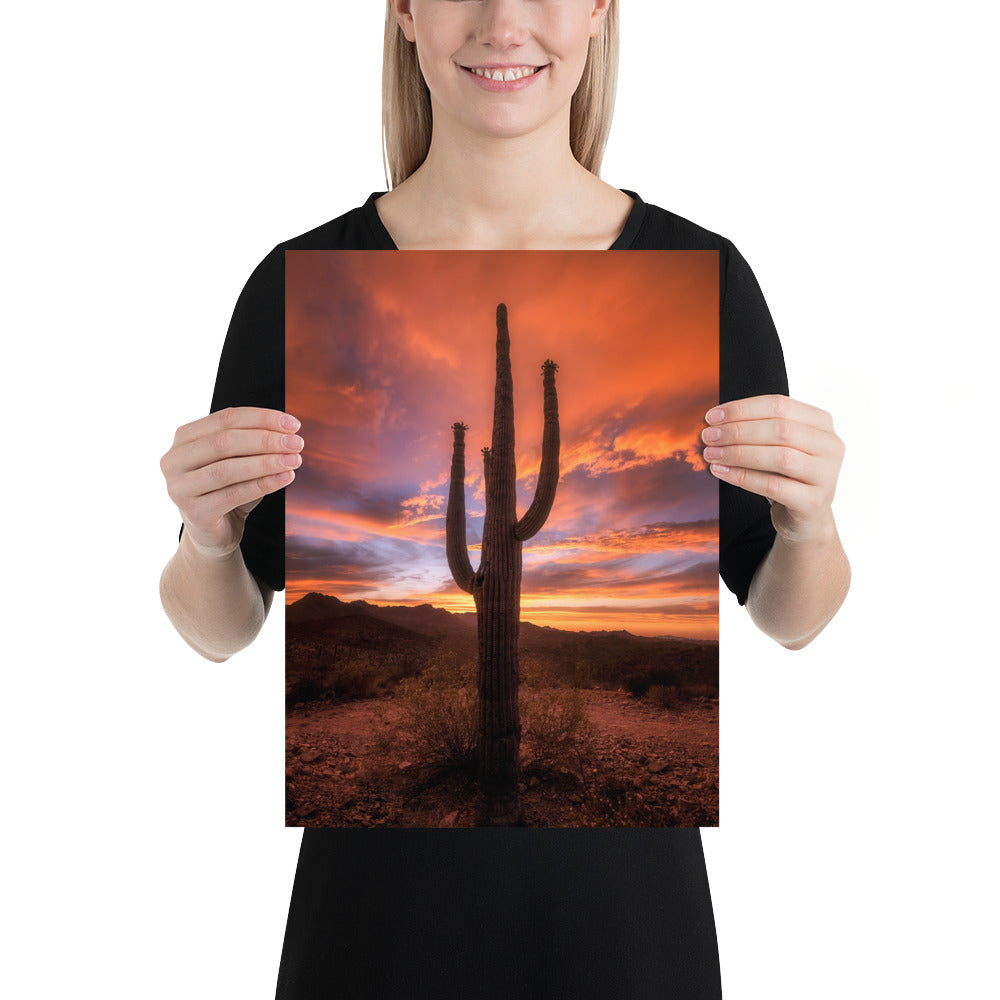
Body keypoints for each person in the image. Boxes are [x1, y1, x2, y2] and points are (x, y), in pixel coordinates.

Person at [159, 1, 851, 996]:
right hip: (375, 934)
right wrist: (207, 539)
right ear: (402, 11)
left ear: (601, 11)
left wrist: (810, 521)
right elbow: (217, 630)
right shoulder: (296, 282)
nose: (502, 19)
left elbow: (791, 615)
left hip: (624, 935)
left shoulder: (701, 276)